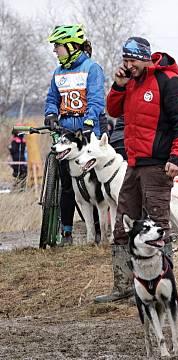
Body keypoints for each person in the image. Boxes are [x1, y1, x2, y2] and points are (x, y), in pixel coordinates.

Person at [95, 37, 178, 303]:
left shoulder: (169, 82)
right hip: (134, 163)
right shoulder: (130, 81)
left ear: (145, 57)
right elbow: (114, 110)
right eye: (125, 60)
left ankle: (165, 285)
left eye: (133, 61)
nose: (128, 65)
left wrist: (177, 157)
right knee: (123, 223)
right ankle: (124, 285)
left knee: (159, 225)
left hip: (160, 165)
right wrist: (118, 85)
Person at [44, 24, 104, 245]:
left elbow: (97, 99)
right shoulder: (58, 72)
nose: (55, 50)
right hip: (65, 131)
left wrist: (89, 121)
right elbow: (52, 98)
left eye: (57, 46)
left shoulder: (92, 68)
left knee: (93, 184)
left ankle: (99, 232)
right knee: (67, 185)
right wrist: (51, 114)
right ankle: (66, 233)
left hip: (87, 132)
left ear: (71, 46)